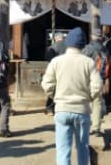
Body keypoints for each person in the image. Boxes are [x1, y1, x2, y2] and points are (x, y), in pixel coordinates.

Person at [41, 27, 102, 165]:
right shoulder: (89, 62)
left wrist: (55, 96)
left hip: (62, 109)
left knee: (63, 150)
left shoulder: (56, 62)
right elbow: (97, 85)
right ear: (83, 45)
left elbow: (46, 84)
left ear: (67, 43)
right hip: (81, 110)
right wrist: (88, 97)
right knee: (82, 148)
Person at [82, 29, 109, 137]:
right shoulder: (104, 48)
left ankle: (86, 127)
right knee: (97, 103)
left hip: (88, 78)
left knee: (86, 103)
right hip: (100, 78)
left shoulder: (88, 48)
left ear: (92, 36)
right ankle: (96, 128)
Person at [45, 32, 66, 115]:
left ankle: (50, 108)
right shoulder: (68, 47)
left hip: (55, 71)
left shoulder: (52, 47)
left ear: (56, 38)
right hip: (66, 71)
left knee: (53, 90)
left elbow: (48, 59)